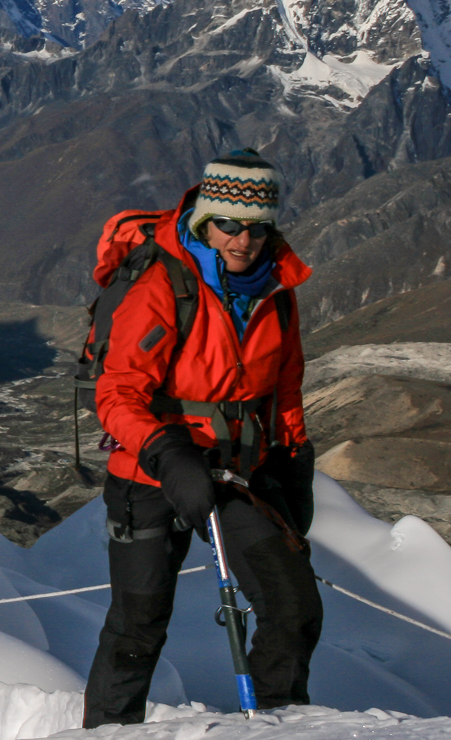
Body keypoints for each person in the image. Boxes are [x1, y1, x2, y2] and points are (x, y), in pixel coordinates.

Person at [82, 150, 321, 726]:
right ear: (205, 222)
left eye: (257, 227)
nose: (243, 240)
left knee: (291, 606)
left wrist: (293, 456)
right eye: (230, 225)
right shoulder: (165, 285)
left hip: (236, 470)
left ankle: (282, 726)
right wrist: (167, 454)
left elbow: (282, 389)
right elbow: (116, 394)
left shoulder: (276, 291)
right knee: (137, 626)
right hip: (150, 473)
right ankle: (109, 735)